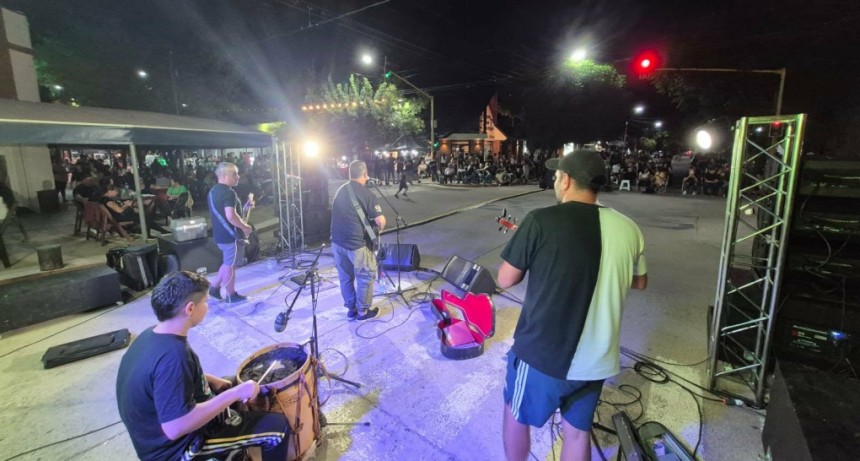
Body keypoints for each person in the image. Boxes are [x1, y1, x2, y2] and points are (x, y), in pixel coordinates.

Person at [497, 150, 648, 461]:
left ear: (565, 180)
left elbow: (506, 279)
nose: (554, 181)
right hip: (598, 359)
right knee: (577, 432)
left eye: (556, 176)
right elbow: (640, 281)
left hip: (545, 354)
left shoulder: (541, 220)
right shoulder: (628, 227)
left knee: (515, 412)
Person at [116, 271, 288, 461]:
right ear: (190, 309)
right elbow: (175, 427)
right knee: (278, 428)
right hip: (176, 450)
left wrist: (209, 379)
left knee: (233, 381)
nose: (207, 307)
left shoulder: (153, 335)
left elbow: (165, 381)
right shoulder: (173, 356)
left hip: (159, 432)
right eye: (205, 302)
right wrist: (234, 394)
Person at [330, 160, 385, 321]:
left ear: (349, 174)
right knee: (366, 275)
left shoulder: (340, 190)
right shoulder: (367, 194)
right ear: (365, 174)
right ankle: (363, 311)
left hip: (337, 242)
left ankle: (351, 308)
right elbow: (380, 221)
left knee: (345, 277)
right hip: (356, 244)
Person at [208, 162, 253, 304]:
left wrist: (245, 207)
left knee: (227, 262)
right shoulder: (229, 193)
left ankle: (214, 288)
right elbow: (231, 217)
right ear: (224, 176)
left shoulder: (213, 191)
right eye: (234, 174)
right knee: (230, 266)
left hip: (220, 235)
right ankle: (231, 295)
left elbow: (228, 213)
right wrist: (245, 227)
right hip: (230, 236)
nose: (238, 177)